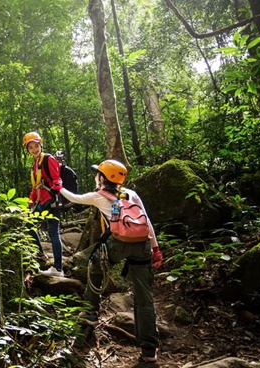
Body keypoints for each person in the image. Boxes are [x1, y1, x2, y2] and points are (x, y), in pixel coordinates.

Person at [58, 159, 163, 363]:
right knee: (144, 297)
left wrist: (59, 186)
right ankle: (149, 350)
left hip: (118, 243)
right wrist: (155, 248)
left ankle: (90, 313)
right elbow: (147, 221)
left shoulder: (99, 197)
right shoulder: (132, 194)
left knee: (96, 267)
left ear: (103, 178)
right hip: (142, 245)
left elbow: (74, 198)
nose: (96, 176)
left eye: (98, 174)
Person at [22, 131, 65, 277]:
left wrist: (55, 191)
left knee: (53, 232)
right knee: (28, 223)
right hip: (41, 201)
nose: (34, 149)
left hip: (50, 201)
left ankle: (58, 268)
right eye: (30, 147)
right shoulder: (35, 164)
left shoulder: (48, 159)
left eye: (36, 146)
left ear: (40, 144)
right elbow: (35, 187)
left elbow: (57, 179)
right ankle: (41, 254)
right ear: (28, 150)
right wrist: (30, 202)